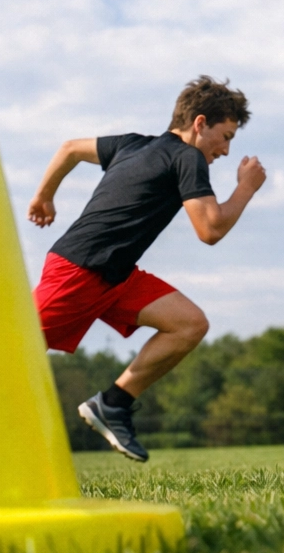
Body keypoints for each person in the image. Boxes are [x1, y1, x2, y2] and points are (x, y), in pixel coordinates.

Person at [28, 76, 265, 461]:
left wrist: (44, 197)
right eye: (226, 136)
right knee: (10, 347)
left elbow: (70, 149)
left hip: (116, 276)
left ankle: (113, 404)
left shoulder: (132, 144)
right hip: (79, 271)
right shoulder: (187, 157)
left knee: (189, 323)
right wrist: (246, 189)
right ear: (200, 123)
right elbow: (210, 229)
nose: (225, 149)